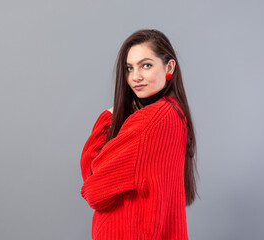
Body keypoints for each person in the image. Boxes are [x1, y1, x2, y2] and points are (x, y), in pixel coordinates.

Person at [80, 29, 199, 240]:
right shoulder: (175, 115)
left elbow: (93, 190)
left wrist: (106, 119)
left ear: (169, 67)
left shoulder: (150, 122)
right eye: (129, 68)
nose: (135, 77)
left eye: (146, 65)